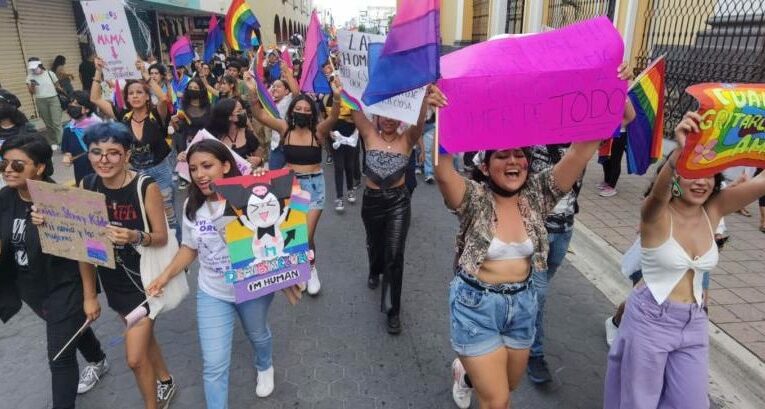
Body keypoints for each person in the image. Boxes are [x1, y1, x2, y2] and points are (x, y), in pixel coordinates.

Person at [439, 64, 630, 409]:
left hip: (523, 306)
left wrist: (611, 87)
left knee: (508, 385)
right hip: (476, 307)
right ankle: (473, 372)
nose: (514, 161)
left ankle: (465, 373)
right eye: (502, 155)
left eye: (520, 155)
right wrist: (436, 112)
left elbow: (580, 151)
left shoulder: (538, 194)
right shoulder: (472, 199)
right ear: (485, 165)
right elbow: (441, 170)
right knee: (497, 401)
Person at [603, 112, 765, 409]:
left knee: (691, 403)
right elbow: (657, 196)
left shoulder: (713, 211)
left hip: (694, 322)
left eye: (708, 173)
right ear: (675, 175)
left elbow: (760, 184)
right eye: (692, 172)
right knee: (639, 402)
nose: (701, 181)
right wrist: (680, 150)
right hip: (650, 320)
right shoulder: (656, 215)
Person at [145, 140, 277, 408]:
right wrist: (165, 275)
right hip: (213, 291)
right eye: (193, 169)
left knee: (258, 335)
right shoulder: (192, 206)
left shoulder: (252, 194)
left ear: (226, 166)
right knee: (214, 364)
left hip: (252, 285)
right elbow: (189, 248)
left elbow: (280, 225)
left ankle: (265, 365)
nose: (200, 174)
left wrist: (268, 185)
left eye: (207, 166)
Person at [1, 134, 109, 409]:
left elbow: (87, 250)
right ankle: (98, 359)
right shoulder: (5, 197)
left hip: (66, 286)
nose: (8, 170)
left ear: (38, 167)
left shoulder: (63, 201)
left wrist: (89, 297)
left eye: (17, 165)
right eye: (4, 164)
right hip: (31, 288)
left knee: (59, 357)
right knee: (69, 327)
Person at [77, 122, 177, 409]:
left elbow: (161, 237)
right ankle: (166, 381)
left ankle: (152, 405)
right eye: (96, 152)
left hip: (145, 282)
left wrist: (135, 236)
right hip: (113, 281)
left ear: (126, 154)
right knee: (144, 340)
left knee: (134, 358)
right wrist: (89, 295)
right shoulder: (87, 185)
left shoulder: (145, 186)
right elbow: (83, 244)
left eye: (112, 153)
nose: (103, 160)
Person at [349, 86, 442, 334]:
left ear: (400, 118)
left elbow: (421, 120)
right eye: (384, 115)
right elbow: (355, 110)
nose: (388, 120)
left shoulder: (407, 139)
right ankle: (373, 268)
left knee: (395, 255)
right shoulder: (368, 134)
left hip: (398, 203)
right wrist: (346, 86)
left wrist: (423, 98)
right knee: (375, 245)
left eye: (393, 116)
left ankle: (392, 310)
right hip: (372, 201)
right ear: (377, 117)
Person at [247, 72, 342, 296]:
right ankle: (308, 267)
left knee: (304, 236)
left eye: (306, 110)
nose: (301, 112)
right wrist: (252, 92)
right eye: (298, 109)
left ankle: (310, 269)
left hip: (314, 187)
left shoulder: (318, 132)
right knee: (297, 235)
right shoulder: (284, 128)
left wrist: (336, 97)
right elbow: (259, 114)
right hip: (291, 188)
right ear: (292, 111)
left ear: (311, 113)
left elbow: (333, 117)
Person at [90, 57, 180, 242]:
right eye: (131, 93)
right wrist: (98, 71)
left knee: (167, 217)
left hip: (160, 171)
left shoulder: (157, 114)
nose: (135, 96)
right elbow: (95, 98)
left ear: (147, 96)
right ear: (127, 98)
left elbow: (164, 98)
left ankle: (176, 252)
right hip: (134, 173)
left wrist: (145, 75)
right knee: (144, 214)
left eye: (140, 92)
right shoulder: (123, 116)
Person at [206, 98, 264, 168]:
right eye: (239, 110)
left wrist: (259, 160)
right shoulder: (214, 138)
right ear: (229, 117)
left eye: (242, 109)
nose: (243, 112)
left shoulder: (248, 135)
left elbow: (261, 160)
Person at [61, 90, 102, 184]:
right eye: (71, 103)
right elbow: (68, 152)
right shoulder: (68, 129)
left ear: (87, 109)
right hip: (82, 177)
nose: (72, 106)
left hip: (101, 173)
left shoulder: (100, 127)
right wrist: (67, 157)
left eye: (76, 104)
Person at [26, 58, 65, 148]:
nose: (33, 70)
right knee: (48, 123)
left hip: (53, 99)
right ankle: (53, 142)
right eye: (32, 68)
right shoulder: (30, 77)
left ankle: (62, 142)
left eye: (35, 67)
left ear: (40, 65)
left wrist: (63, 92)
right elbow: (32, 92)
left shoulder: (50, 74)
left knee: (56, 123)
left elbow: (57, 86)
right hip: (41, 100)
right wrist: (32, 85)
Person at [267, 63, 299, 170]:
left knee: (293, 177)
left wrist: (287, 72)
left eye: (278, 86)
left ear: (286, 91)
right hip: (276, 146)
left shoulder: (288, 100)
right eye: (273, 86)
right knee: (274, 176)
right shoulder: (269, 103)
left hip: (290, 144)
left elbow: (295, 91)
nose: (275, 88)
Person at [171, 77, 211, 158]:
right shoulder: (183, 107)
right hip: (187, 147)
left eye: (196, 88)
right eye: (190, 88)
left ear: (202, 90)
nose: (192, 90)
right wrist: (173, 122)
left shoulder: (209, 108)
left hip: (205, 146)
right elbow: (179, 130)